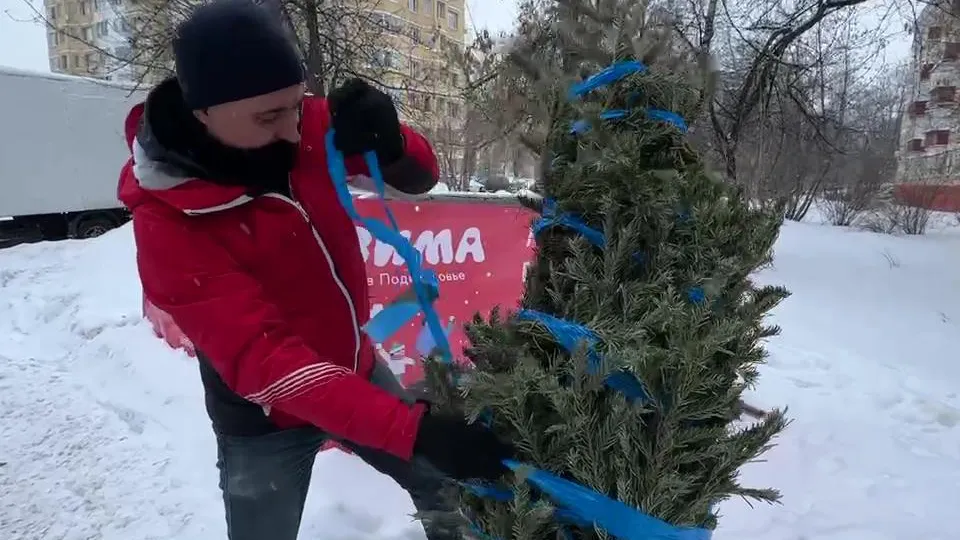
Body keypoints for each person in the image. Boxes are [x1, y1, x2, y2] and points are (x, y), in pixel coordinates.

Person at [116, 1, 513, 539]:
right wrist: (411, 430)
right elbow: (266, 362)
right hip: (264, 423)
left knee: (442, 486)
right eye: (269, 116)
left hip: (356, 369)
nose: (293, 128)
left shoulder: (303, 125)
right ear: (202, 111)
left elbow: (420, 175)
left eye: (296, 105)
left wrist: (390, 140)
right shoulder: (168, 221)